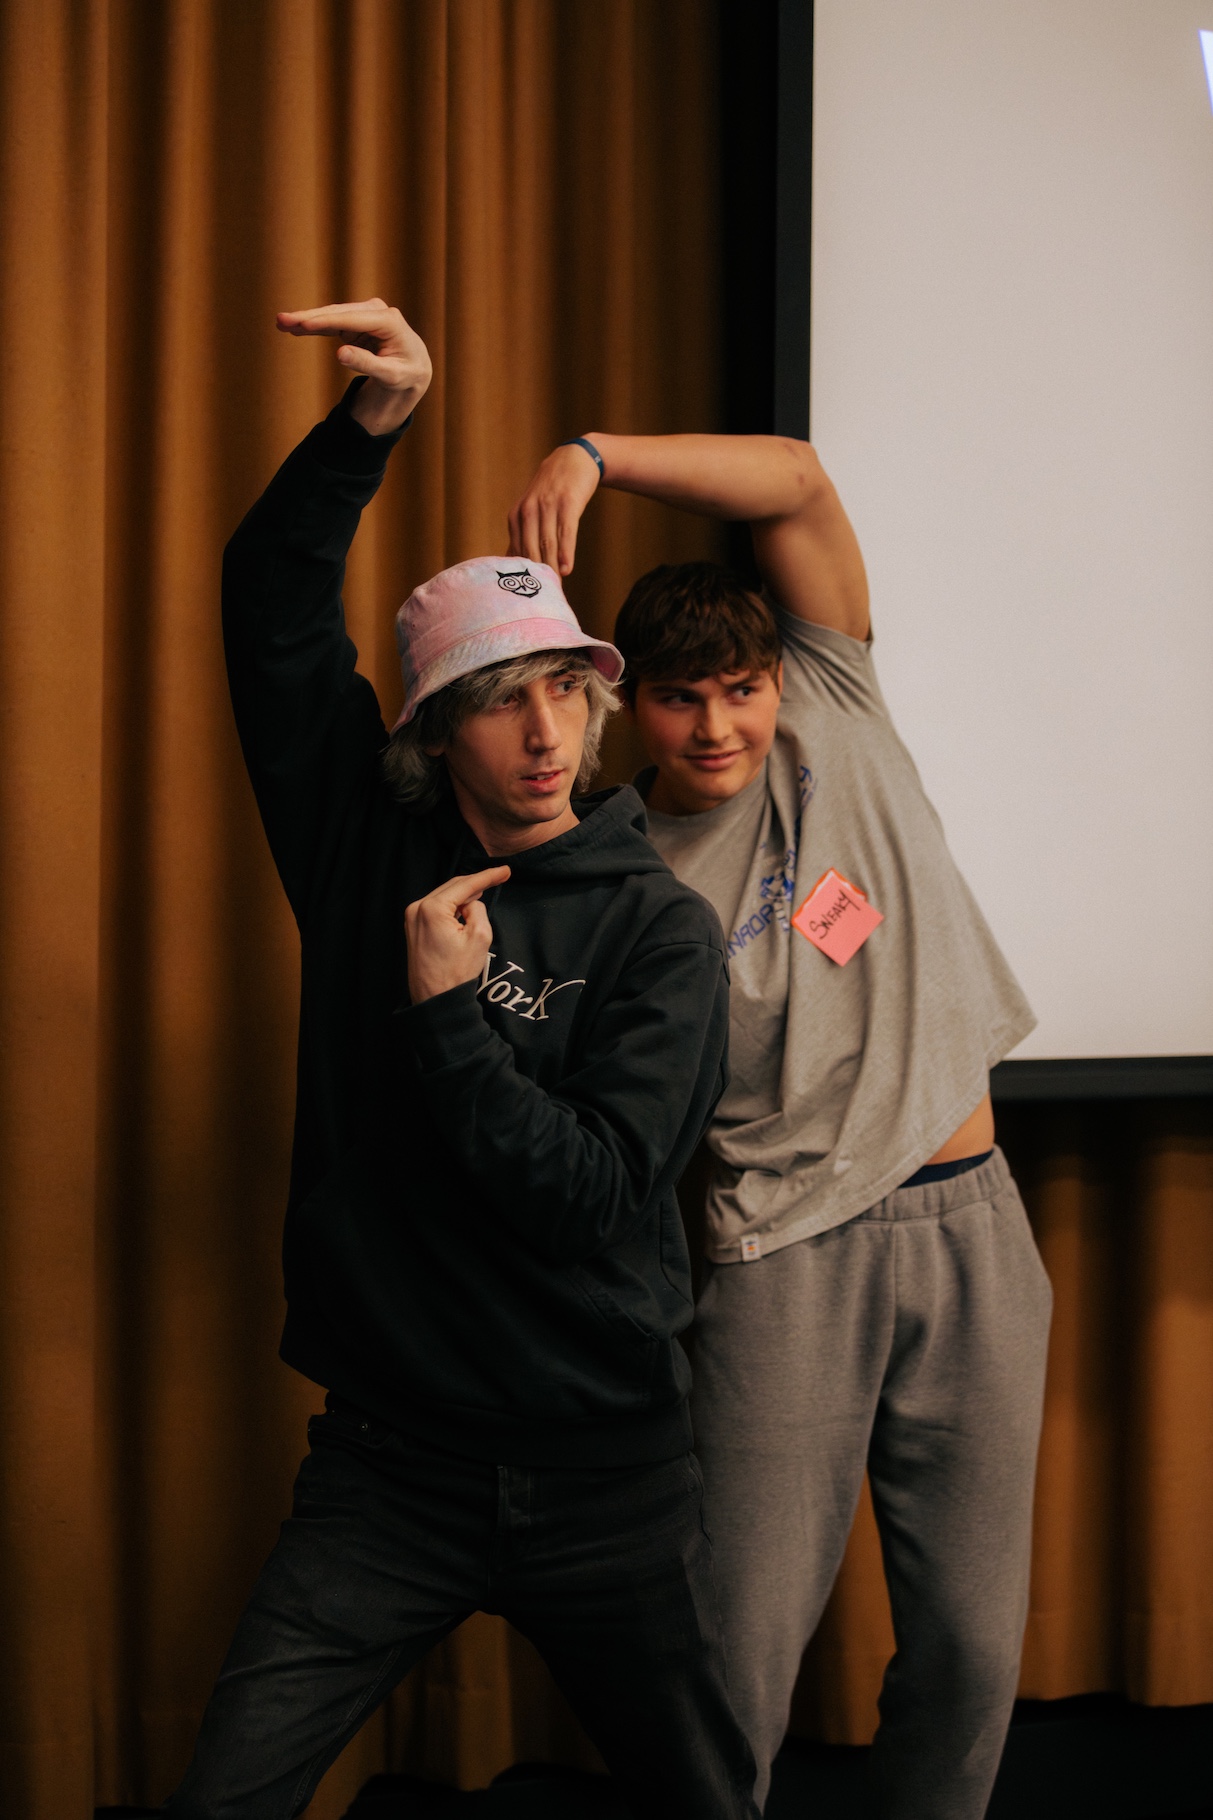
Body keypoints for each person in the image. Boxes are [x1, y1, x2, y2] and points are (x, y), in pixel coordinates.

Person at [165, 303, 760, 1820]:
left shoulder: (661, 933)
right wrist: (371, 427)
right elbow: (269, 608)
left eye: (565, 687)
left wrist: (446, 1022)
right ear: (435, 733)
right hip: (391, 1471)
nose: (545, 731)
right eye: (500, 699)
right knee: (223, 1796)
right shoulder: (368, 854)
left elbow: (586, 1196)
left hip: (604, 1479)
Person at [508, 430, 1054, 1818]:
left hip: (969, 1220)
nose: (719, 728)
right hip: (778, 1260)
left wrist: (593, 458)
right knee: (737, 1662)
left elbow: (801, 482)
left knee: (971, 1654)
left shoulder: (835, 699)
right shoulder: (614, 868)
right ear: (628, 706)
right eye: (682, 699)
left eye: (739, 691)